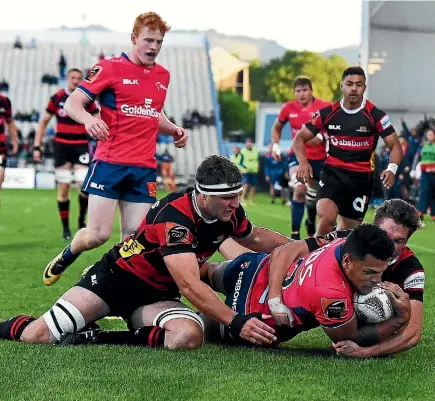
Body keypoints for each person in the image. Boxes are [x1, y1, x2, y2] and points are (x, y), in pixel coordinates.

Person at [0, 155, 291, 349]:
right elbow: (189, 285)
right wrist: (237, 321)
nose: (234, 203)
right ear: (204, 195)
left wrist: (301, 247)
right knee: (37, 336)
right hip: (115, 280)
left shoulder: (227, 212)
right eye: (227, 197)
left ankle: (100, 337)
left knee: (188, 336)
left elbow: (255, 236)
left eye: (237, 196)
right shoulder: (175, 218)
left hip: (156, 294)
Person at [43, 12, 189, 286]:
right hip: (110, 164)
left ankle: (118, 298)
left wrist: (174, 129)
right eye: (148, 40)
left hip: (144, 167)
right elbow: (72, 104)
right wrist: (89, 119)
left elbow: (152, 113)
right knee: (97, 235)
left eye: (159, 42)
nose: (154, 47)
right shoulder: (109, 68)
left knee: (134, 241)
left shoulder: (162, 76)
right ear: (134, 38)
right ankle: (68, 253)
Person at [219, 198, 423, 358]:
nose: (391, 246)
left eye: (399, 241)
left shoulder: (410, 269)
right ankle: (214, 235)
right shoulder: (350, 241)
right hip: (267, 282)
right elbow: (288, 250)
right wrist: (276, 298)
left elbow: (412, 333)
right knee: (217, 267)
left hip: (323, 312)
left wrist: (365, 352)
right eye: (385, 236)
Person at [202, 224, 410, 350]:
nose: (377, 280)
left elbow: (284, 251)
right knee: (192, 325)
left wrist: (275, 297)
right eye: (369, 272)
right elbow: (348, 337)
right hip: (250, 314)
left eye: (381, 271)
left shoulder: (342, 241)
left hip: (253, 268)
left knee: (203, 271)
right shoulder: (331, 295)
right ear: (347, 261)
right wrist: (399, 320)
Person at [293, 67, 403, 236]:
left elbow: (395, 145)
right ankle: (313, 258)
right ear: (341, 86)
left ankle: (334, 249)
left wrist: (391, 168)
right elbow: (299, 138)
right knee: (326, 218)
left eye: (358, 84)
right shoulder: (328, 113)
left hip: (361, 179)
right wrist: (303, 162)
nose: (353, 88)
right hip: (333, 174)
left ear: (364, 87)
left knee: (346, 234)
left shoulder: (376, 115)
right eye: (349, 84)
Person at [34, 68, 100, 239]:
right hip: (61, 147)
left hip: (80, 146)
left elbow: (98, 118)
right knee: (63, 188)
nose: (76, 81)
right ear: (67, 79)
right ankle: (65, 229)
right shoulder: (57, 98)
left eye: (79, 78)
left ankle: (80, 220)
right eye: (73, 78)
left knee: (84, 188)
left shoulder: (86, 99)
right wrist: (37, 145)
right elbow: (43, 122)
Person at [271, 76, 330, 238]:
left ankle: (311, 221)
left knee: (320, 199)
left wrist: (322, 138)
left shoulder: (325, 107)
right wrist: (275, 146)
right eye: (298, 91)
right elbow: (276, 128)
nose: (302, 94)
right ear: (294, 92)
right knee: (299, 189)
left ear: (311, 91)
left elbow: (335, 128)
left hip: (321, 158)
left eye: (305, 90)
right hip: (296, 156)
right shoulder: (288, 108)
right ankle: (295, 236)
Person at [412, 128, 435, 221]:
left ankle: (434, 213)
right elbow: (417, 157)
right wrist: (413, 169)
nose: (429, 136)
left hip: (434, 172)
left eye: (431, 134)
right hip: (425, 173)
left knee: (434, 192)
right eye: (428, 135)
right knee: (424, 191)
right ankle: (420, 211)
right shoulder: (422, 145)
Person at [0, 94, 19, 189]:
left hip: (1, 147)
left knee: (0, 176)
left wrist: (15, 142)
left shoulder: (4, 101)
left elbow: (10, 122)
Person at [240, 138, 259, 205]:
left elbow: (257, 160)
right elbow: (240, 162)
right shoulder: (243, 151)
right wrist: (244, 168)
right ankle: (242, 199)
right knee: (245, 185)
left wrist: (257, 166)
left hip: (254, 170)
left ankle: (252, 200)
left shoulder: (255, 150)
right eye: (247, 142)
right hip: (246, 171)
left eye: (250, 142)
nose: (249, 144)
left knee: (253, 185)